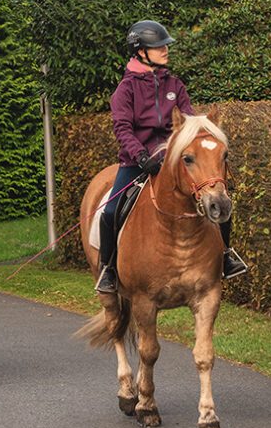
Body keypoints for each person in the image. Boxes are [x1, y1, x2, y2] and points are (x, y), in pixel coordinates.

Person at [95, 20, 248, 295]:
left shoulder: (174, 85)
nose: (165, 49)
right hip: (137, 161)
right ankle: (108, 270)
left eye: (165, 45)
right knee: (109, 212)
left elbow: (188, 120)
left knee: (219, 197)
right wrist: (141, 157)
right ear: (140, 51)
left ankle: (226, 255)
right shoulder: (125, 90)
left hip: (174, 159)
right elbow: (123, 129)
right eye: (158, 46)